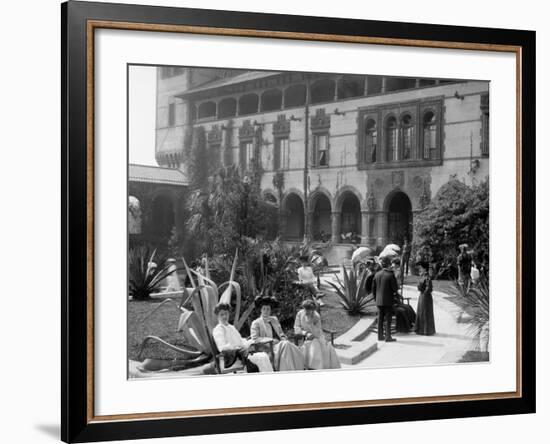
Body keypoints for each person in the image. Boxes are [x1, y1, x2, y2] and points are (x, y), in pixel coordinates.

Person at [212, 303, 273, 373]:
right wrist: (237, 347)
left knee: (263, 356)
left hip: (241, 355)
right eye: (221, 314)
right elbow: (222, 347)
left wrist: (251, 341)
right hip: (232, 358)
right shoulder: (218, 329)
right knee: (261, 357)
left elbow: (241, 341)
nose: (224, 316)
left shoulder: (231, 327)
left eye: (226, 313)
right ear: (217, 316)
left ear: (229, 314)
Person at [250, 296, 305, 372]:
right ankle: (289, 370)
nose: (266, 311)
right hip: (268, 347)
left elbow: (281, 333)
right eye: (264, 309)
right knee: (286, 345)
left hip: (280, 344)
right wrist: (271, 340)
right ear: (261, 310)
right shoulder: (256, 323)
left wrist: (283, 337)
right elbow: (255, 339)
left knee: (288, 345)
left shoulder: (274, 319)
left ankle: (293, 369)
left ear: (270, 310)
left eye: (268, 309)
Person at [294, 300, 341, 370]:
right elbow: (296, 327)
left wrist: (311, 323)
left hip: (317, 337)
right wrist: (306, 333)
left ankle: (315, 367)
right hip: (304, 337)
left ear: (312, 310)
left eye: (308, 310)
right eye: (305, 309)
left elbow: (318, 332)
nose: (306, 311)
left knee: (316, 344)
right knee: (313, 344)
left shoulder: (316, 316)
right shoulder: (300, 314)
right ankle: (311, 366)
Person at [372, 256, 398, 342]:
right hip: (388, 301)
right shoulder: (391, 275)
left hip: (379, 301)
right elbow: (395, 288)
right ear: (389, 264)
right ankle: (388, 337)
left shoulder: (377, 274)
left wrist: (376, 299)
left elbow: (373, 289)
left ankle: (380, 336)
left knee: (380, 318)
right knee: (388, 319)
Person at [390, 259, 416, 333]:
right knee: (405, 308)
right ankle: (411, 324)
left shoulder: (397, 272)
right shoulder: (393, 274)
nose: (392, 266)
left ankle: (414, 323)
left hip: (395, 300)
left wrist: (397, 295)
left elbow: (397, 283)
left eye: (393, 264)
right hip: (392, 303)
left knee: (409, 307)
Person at [415, 261, 436, 336]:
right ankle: (420, 329)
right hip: (422, 295)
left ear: (424, 268)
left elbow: (429, 288)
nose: (420, 269)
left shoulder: (427, 277)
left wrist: (424, 293)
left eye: (421, 267)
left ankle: (427, 330)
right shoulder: (422, 275)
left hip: (425, 296)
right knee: (421, 312)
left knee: (425, 312)